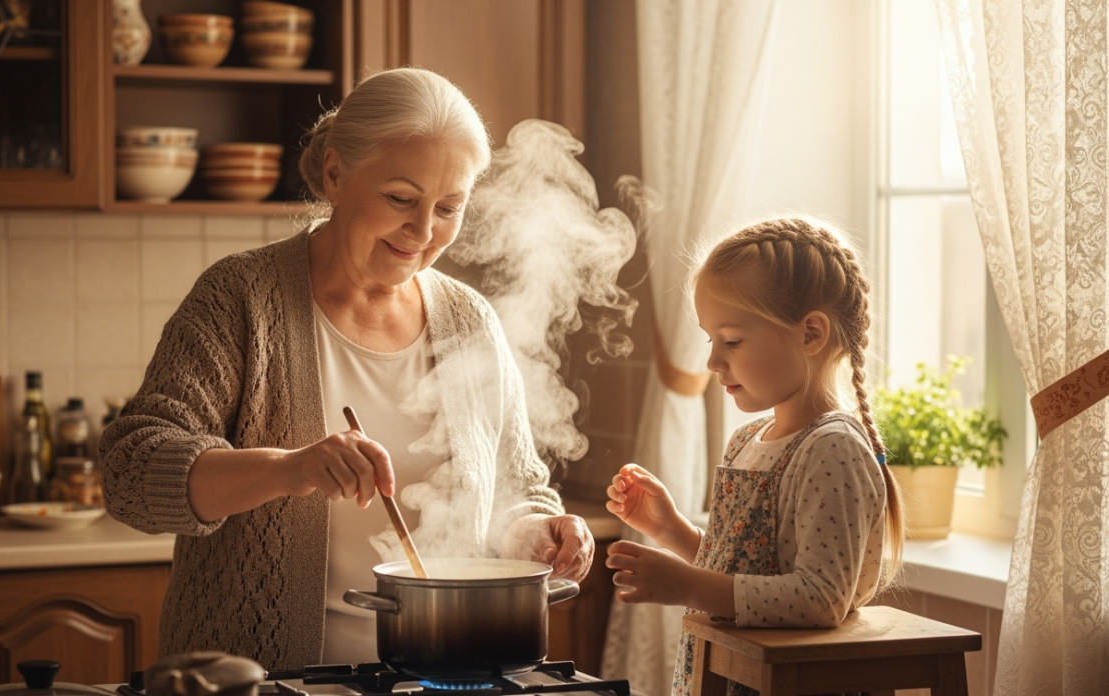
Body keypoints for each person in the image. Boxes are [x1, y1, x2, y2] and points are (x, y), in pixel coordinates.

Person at [99, 67, 594, 671]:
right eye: (400, 199)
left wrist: (541, 531)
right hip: (264, 678)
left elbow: (515, 490)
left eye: (448, 207)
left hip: (435, 673)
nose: (423, 231)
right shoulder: (241, 298)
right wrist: (291, 468)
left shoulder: (469, 320)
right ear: (335, 173)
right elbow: (131, 471)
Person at [604, 217, 905, 696]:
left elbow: (817, 599)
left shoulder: (833, 448)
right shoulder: (747, 440)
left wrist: (686, 587)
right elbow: (747, 568)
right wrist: (672, 530)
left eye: (733, 341)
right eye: (710, 340)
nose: (713, 362)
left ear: (810, 334)